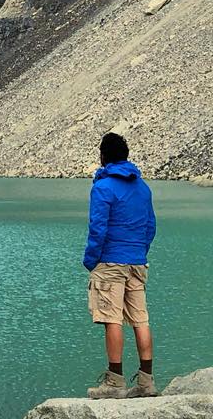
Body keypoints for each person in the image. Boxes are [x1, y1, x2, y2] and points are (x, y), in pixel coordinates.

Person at [83, 133, 157, 399]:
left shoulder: (103, 188)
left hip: (110, 261)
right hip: (137, 261)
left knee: (111, 318)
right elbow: (150, 227)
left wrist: (91, 260)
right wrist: (139, 252)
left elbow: (98, 229)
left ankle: (115, 383)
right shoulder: (143, 188)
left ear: (104, 157)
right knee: (140, 319)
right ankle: (147, 382)